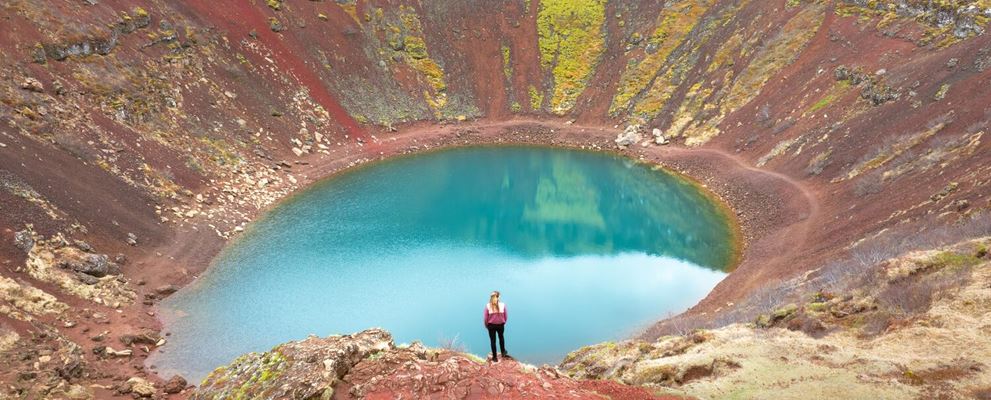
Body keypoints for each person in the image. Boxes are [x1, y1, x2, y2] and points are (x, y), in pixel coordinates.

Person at [483, 290, 508, 362]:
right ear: (498, 297)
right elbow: (506, 316)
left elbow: (485, 318)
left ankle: (494, 358)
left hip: (491, 326)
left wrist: (486, 325)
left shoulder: (488, 306)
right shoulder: (503, 305)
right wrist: (503, 322)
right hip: (500, 325)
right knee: (501, 338)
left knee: (493, 341)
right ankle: (503, 352)